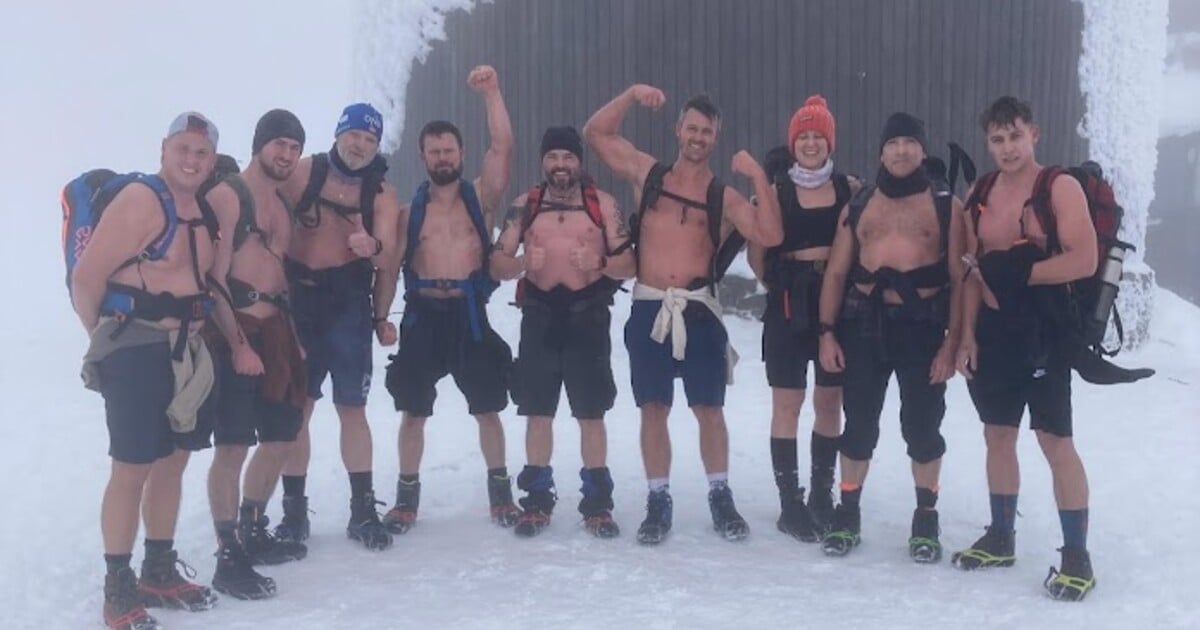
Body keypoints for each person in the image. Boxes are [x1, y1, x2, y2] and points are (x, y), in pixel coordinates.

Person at [583, 85, 783, 545]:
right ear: (678, 130)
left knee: (708, 409)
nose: (697, 137)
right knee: (653, 408)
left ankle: (720, 494)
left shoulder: (725, 196)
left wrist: (756, 176)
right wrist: (632, 95)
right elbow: (596, 133)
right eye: (691, 128)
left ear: (716, 138)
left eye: (706, 132)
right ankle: (658, 498)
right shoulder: (647, 173)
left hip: (699, 311)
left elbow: (770, 234)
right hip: (650, 305)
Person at [73, 112, 223, 629]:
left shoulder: (201, 212)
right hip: (135, 344)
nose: (192, 160)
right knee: (132, 466)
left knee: (173, 462)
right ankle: (118, 586)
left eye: (202, 153)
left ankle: (158, 568)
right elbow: (87, 276)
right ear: (164, 149)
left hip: (184, 350)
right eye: (183, 148)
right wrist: (106, 343)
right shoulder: (141, 200)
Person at [952, 96, 1098, 601]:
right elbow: (973, 272)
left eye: (1015, 136)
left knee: (1054, 440)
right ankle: (1001, 536)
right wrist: (966, 335)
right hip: (994, 333)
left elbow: (1084, 258)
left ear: (1033, 134)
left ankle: (1077, 556)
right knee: (998, 434)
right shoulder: (982, 191)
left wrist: (1021, 273)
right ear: (987, 143)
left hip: (1045, 332)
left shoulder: (1058, 186)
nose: (1008, 147)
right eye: (997, 139)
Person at [817, 112, 964, 563]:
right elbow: (837, 272)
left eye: (910, 142)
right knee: (859, 424)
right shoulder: (859, 206)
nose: (901, 150)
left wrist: (951, 343)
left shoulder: (946, 206)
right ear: (881, 151)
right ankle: (848, 512)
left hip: (922, 330)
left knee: (922, 427)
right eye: (893, 142)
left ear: (922, 150)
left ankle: (925, 518)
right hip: (864, 327)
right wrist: (826, 333)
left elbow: (960, 278)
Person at [382, 65, 521, 533]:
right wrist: (381, 317)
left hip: (468, 315)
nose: (443, 157)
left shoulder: (480, 197)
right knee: (413, 411)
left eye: (449, 149)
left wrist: (492, 93)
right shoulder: (408, 213)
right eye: (434, 151)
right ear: (423, 157)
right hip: (422, 315)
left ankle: (501, 496)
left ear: (461, 152)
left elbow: (502, 146)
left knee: (487, 409)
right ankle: (406, 500)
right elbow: (388, 265)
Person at [490, 125, 636, 538]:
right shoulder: (525, 206)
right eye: (553, 157)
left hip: (587, 317)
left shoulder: (602, 205)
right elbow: (495, 265)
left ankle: (597, 503)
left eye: (567, 157)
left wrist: (600, 262)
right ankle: (536, 500)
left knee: (591, 413)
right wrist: (522, 263)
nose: (560, 165)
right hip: (539, 316)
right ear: (543, 161)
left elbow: (630, 264)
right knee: (538, 412)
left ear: (579, 162)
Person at [274, 102, 403, 551]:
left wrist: (373, 247)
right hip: (301, 301)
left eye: (369, 140)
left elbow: (390, 258)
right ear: (338, 132)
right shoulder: (305, 172)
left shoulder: (381, 192)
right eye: (354, 136)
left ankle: (363, 509)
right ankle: (293, 511)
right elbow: (265, 218)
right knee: (299, 409)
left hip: (348, 305)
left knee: (353, 409)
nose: (359, 145)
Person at [201, 110, 310, 600]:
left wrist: (290, 335)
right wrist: (239, 344)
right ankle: (228, 555)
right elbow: (213, 277)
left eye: (294, 147)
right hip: (234, 331)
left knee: (284, 433)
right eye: (279, 144)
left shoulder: (282, 205)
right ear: (260, 144)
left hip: (276, 329)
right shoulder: (230, 195)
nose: (286, 155)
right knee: (232, 444)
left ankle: (251, 527)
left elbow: (278, 270)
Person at [747, 95, 858, 542]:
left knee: (829, 402)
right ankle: (789, 501)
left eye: (818, 136)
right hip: (789, 304)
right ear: (793, 143)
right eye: (803, 136)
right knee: (787, 404)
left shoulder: (850, 188)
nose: (811, 143)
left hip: (836, 305)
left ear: (830, 141)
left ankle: (820, 493)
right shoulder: (775, 192)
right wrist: (780, 281)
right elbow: (757, 256)